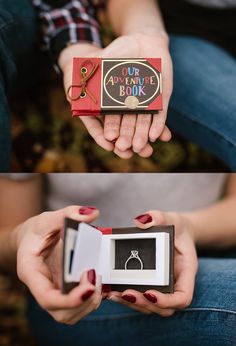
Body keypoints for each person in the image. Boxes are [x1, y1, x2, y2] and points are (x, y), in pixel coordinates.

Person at [0, 173, 236, 345]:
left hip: (205, 252)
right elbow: (5, 239)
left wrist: (190, 227)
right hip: (72, 296)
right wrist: (21, 239)